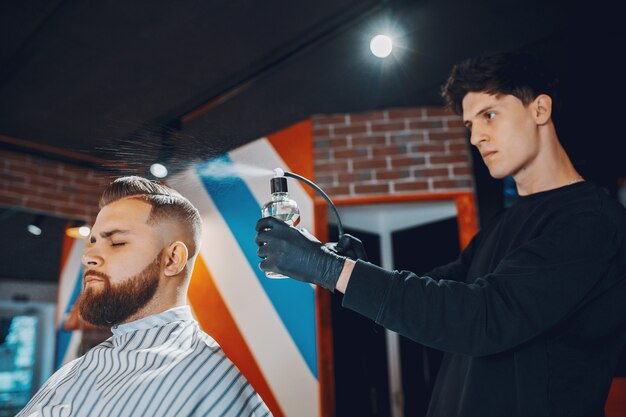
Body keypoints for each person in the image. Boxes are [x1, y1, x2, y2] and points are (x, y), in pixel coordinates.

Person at [255, 51, 626, 417]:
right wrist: (350, 266)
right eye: (470, 126)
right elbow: (436, 303)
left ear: (540, 110)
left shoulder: (589, 220)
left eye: (489, 116)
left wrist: (327, 268)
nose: (477, 136)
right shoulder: (501, 226)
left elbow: (482, 318)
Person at [19, 176, 272, 417]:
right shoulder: (71, 373)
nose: (89, 257)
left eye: (117, 242)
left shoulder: (210, 380)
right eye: (92, 243)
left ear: (172, 259)